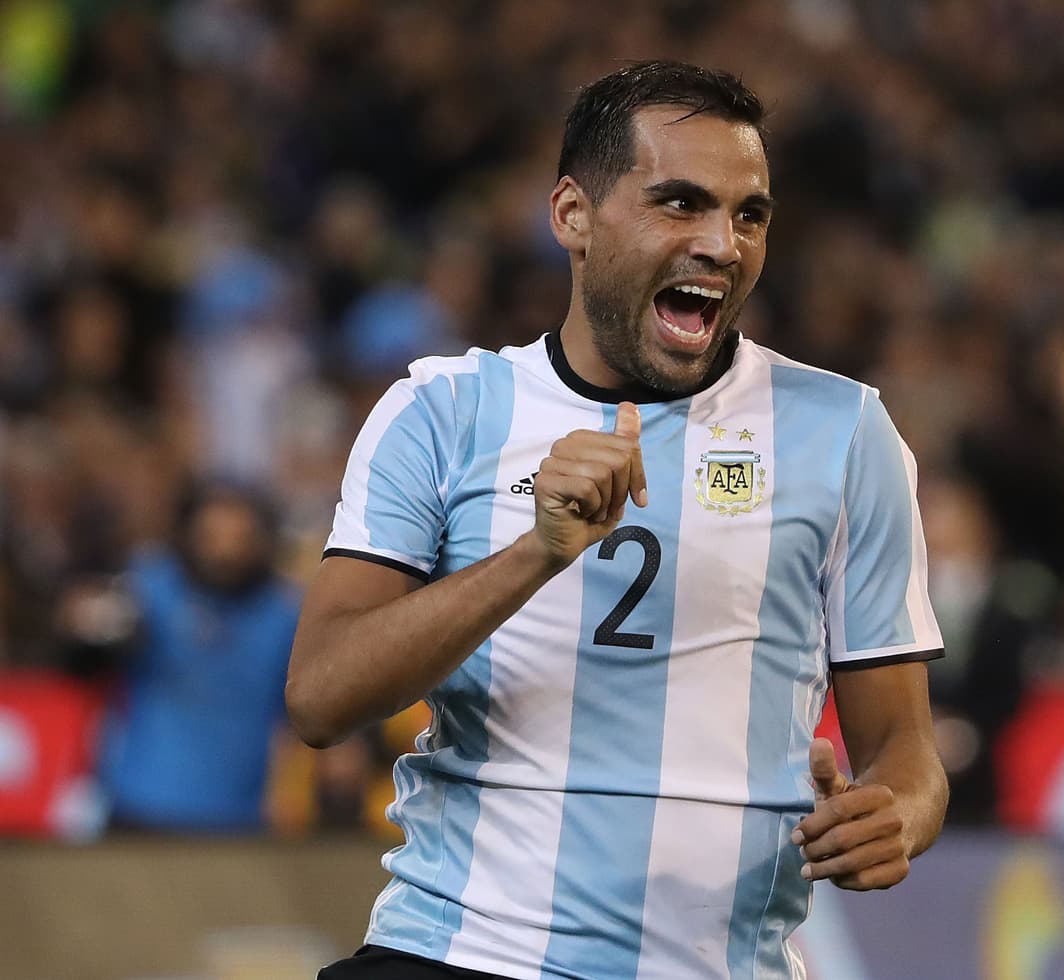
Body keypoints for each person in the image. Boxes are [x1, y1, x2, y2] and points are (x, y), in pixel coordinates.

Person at [288, 61, 948, 980]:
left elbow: (903, 749)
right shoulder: (442, 411)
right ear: (572, 215)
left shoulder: (843, 432)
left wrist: (896, 816)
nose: (723, 243)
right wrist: (536, 554)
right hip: (463, 954)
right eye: (680, 203)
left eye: (748, 213)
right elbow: (320, 697)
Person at [96, 479, 300, 833]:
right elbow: (96, 641)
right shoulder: (150, 589)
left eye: (240, 538)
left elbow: (298, 717)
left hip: (236, 818)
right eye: (212, 536)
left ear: (264, 542)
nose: (224, 553)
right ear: (188, 536)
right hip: (139, 807)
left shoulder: (284, 614)